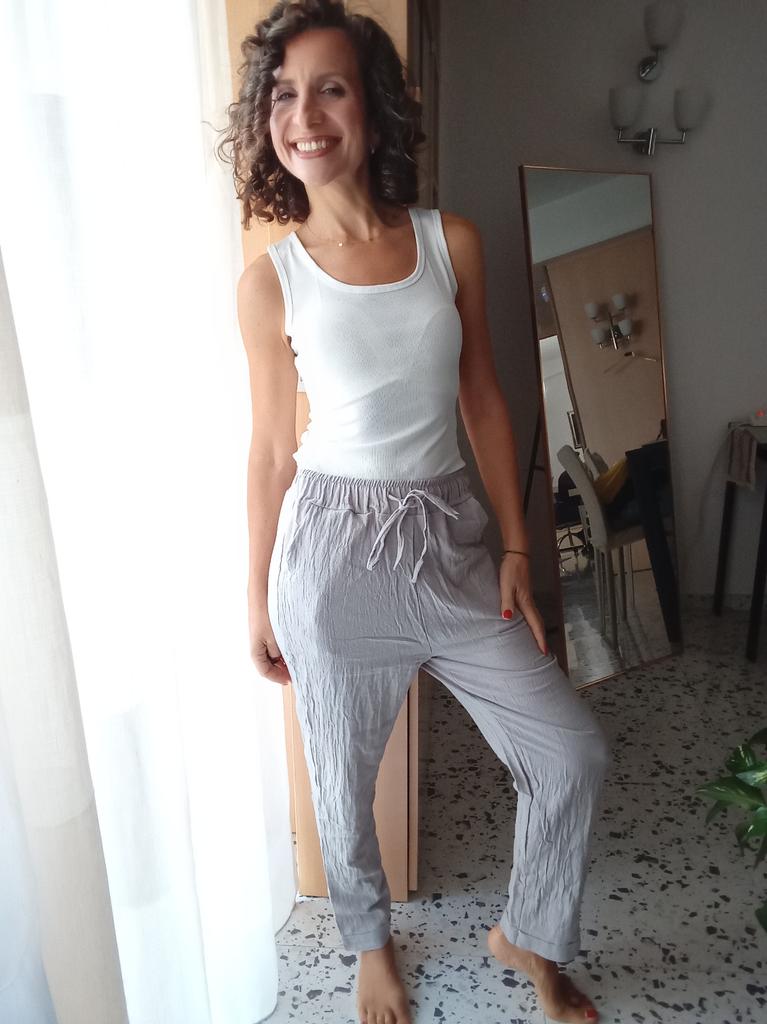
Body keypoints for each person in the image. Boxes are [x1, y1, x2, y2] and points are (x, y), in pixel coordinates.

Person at [218, 2, 611, 1022]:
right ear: (266, 119)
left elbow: (482, 396)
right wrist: (256, 597)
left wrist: (516, 543)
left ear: (374, 106)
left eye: (330, 87)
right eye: (283, 94)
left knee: (568, 751)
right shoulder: (271, 283)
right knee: (342, 782)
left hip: (451, 542)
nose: (304, 115)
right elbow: (269, 451)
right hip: (332, 556)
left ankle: (529, 933)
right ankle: (370, 945)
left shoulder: (450, 242)